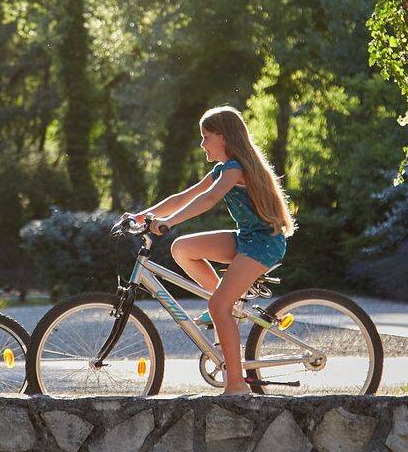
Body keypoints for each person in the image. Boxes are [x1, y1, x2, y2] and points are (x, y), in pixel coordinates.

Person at [126, 105, 293, 395]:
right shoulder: (221, 169)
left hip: (264, 243)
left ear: (224, 137)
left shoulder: (235, 168)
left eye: (206, 137)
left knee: (217, 307)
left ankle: (236, 385)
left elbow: (209, 199)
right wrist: (141, 217)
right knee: (182, 248)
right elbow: (182, 197)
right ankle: (228, 305)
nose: (202, 143)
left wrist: (168, 222)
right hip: (247, 237)